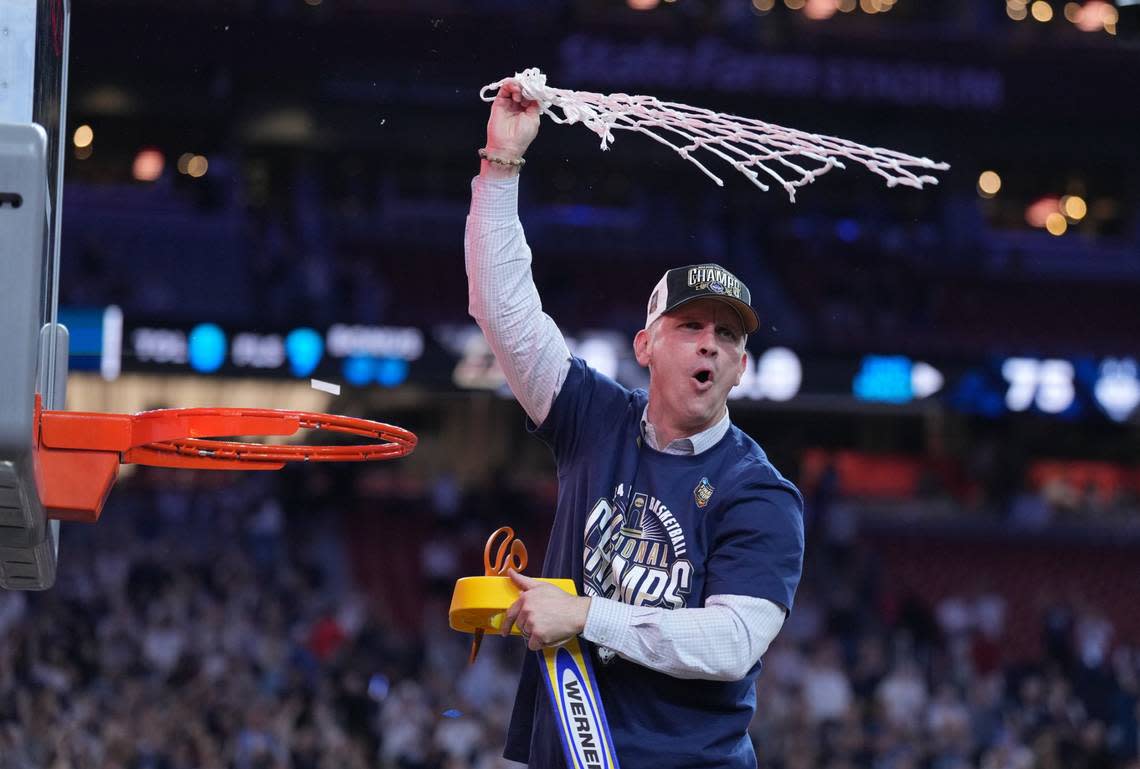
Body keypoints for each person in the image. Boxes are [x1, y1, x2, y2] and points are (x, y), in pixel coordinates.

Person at [465, 81, 805, 769]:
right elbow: (503, 312)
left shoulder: (760, 492)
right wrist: (501, 164)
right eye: (690, 326)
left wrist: (589, 616)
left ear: (740, 368)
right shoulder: (595, 417)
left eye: (729, 336)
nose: (711, 344)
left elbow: (731, 641)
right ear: (645, 345)